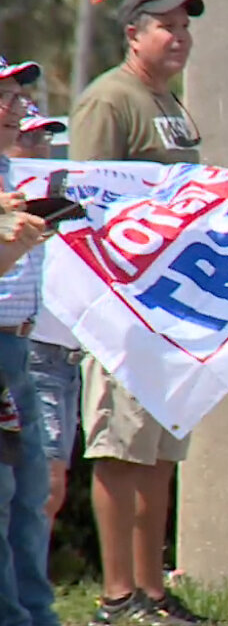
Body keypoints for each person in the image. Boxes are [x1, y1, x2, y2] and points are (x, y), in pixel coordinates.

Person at [68, 0, 207, 626]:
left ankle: (152, 593)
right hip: (121, 307)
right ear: (133, 34)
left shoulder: (167, 100)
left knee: (158, 454)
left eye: (183, 28)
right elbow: (86, 205)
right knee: (119, 451)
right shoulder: (109, 99)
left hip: (169, 309)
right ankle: (117, 597)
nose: (177, 38)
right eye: (165, 27)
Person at [0, 55, 57, 626]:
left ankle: (36, 614)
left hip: (19, 350)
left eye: (19, 95)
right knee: (5, 495)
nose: (18, 107)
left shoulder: (11, 174)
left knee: (27, 496)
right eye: (6, 96)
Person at [8, 105, 83, 530]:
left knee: (49, 486)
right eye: (29, 136)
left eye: (45, 139)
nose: (39, 147)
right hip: (30, 349)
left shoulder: (60, 199)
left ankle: (32, 584)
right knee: (43, 484)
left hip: (65, 355)